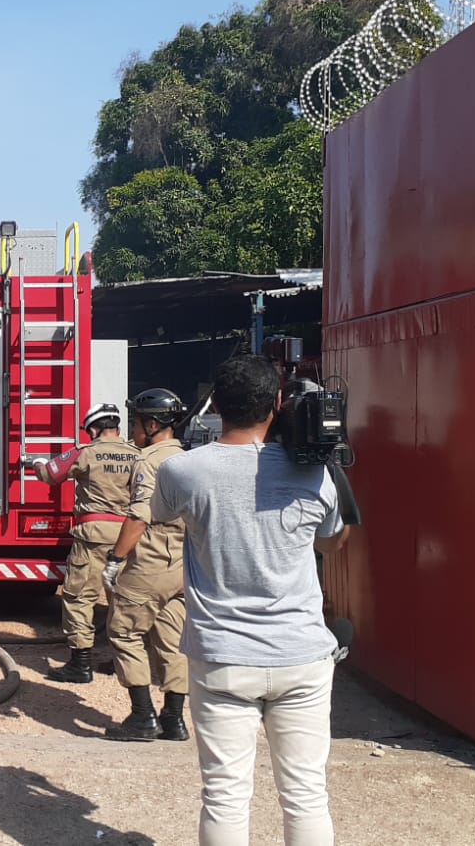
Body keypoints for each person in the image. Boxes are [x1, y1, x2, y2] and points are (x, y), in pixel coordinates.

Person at [150, 355, 350, 846]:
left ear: (215, 405)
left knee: (224, 794)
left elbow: (162, 516)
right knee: (306, 793)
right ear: (278, 404)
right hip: (300, 655)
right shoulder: (315, 474)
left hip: (222, 658)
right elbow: (334, 542)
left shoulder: (182, 471)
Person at [101, 387, 190, 741]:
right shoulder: (187, 457)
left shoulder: (149, 460)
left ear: (151, 424)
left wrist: (115, 558)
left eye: (135, 423)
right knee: (173, 639)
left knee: (124, 630)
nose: (132, 430)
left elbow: (139, 516)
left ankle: (142, 717)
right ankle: (174, 720)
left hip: (153, 557)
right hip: (184, 562)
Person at [32, 403, 142, 684]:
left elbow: (50, 475)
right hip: (128, 535)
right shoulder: (137, 455)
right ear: (117, 426)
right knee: (121, 600)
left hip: (92, 535)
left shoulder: (86, 452)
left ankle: (80, 665)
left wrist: (35, 464)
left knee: (80, 597)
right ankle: (122, 661)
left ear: (93, 429)